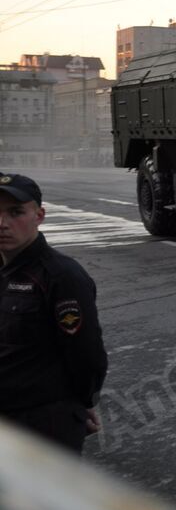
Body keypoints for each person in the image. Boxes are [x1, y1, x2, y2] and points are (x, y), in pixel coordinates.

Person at [0, 173, 108, 454]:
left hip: (42, 426)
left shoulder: (61, 276)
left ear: (39, 215)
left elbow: (86, 355)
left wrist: (77, 406)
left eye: (15, 213)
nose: (2, 224)